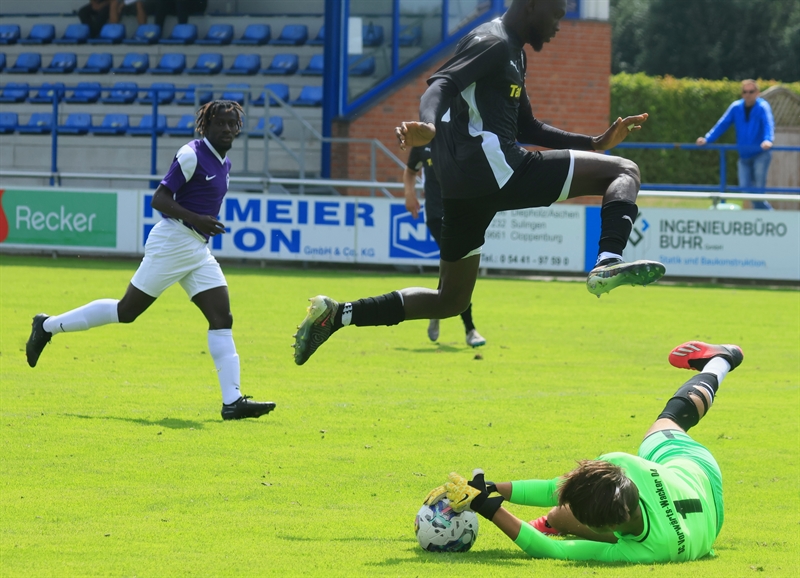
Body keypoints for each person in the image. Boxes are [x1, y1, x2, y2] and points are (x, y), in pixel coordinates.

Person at [291, 0, 665, 366]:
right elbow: (439, 86)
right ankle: (608, 261)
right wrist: (430, 124)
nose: (558, 25)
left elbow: (527, 127)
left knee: (450, 300)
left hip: (464, 189)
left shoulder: (514, 52)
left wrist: (595, 143)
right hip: (497, 170)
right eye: (556, 14)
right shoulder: (493, 41)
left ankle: (336, 315)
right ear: (532, 5)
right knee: (624, 171)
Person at [25, 101, 275, 421]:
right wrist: (196, 217)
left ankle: (233, 401)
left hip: (196, 248)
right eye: (221, 124)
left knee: (222, 317)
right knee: (126, 311)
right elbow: (159, 199)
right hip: (173, 241)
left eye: (232, 124)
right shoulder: (190, 155)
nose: (227, 129)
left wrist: (199, 223)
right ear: (205, 126)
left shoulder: (224, 162)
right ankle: (46, 326)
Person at [424, 340, 744, 563]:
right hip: (694, 470)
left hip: (708, 515)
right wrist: (491, 490)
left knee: (562, 515)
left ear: (605, 528)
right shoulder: (625, 469)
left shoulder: (651, 551)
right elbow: (556, 488)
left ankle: (721, 359)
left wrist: (489, 508)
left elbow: (553, 552)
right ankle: (720, 361)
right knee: (668, 423)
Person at [403, 145, 486, 348]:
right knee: (458, 265)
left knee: (453, 269)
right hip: (435, 214)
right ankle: (470, 330)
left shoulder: (460, 136)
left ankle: (436, 306)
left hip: (460, 212)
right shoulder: (422, 143)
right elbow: (410, 171)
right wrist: (409, 193)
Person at [697, 80, 775, 210]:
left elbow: (768, 124)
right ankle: (770, 219)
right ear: (741, 94)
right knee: (745, 191)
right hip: (744, 156)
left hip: (760, 154)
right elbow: (722, 124)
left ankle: (770, 221)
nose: (748, 94)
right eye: (745, 92)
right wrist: (707, 139)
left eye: (751, 92)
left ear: (757, 93)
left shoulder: (763, 107)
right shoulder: (736, 107)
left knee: (758, 194)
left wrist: (768, 140)